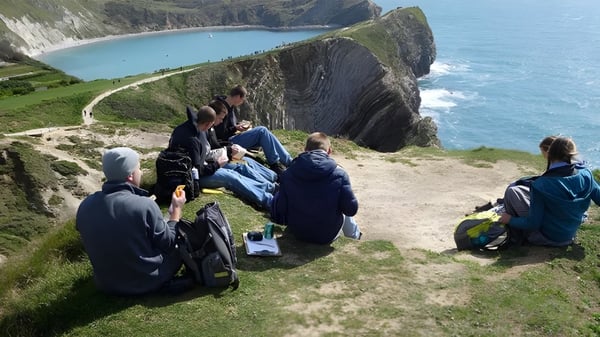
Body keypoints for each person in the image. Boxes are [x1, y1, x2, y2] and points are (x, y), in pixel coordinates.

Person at [76, 147, 186, 295]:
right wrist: (176, 211)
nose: (140, 173)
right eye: (138, 169)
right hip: (149, 281)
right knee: (182, 238)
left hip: (106, 285)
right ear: (130, 175)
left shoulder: (85, 205)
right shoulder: (145, 205)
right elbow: (169, 243)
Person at [168, 105, 276, 210]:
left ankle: (270, 188)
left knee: (235, 171)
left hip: (194, 169)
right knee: (230, 177)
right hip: (191, 179)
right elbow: (197, 171)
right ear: (208, 124)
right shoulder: (193, 140)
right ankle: (270, 202)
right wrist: (217, 164)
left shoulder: (186, 129)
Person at [499, 137, 600, 246]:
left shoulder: (541, 184)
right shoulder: (586, 174)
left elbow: (533, 223)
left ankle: (515, 237)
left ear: (549, 154)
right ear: (573, 154)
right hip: (570, 232)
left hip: (548, 238)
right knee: (521, 191)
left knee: (512, 191)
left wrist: (509, 220)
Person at [270, 132, 362, 244]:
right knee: (342, 199)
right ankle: (355, 236)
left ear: (305, 149)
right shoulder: (340, 173)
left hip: (298, 232)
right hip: (327, 235)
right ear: (329, 152)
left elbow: (280, 209)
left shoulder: (289, 172)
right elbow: (351, 210)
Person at [213, 85, 293, 175]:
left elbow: (227, 126)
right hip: (227, 142)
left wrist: (238, 126)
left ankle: (288, 160)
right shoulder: (221, 108)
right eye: (242, 100)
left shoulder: (228, 105)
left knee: (265, 134)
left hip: (232, 137)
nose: (242, 102)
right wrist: (235, 128)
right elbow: (220, 133)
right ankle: (276, 163)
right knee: (262, 131)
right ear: (238, 96)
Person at [207, 99, 278, 186]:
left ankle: (274, 177)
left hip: (223, 152)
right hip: (216, 161)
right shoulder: (205, 131)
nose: (221, 121)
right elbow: (209, 153)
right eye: (220, 118)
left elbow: (216, 143)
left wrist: (229, 147)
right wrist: (228, 149)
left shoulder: (211, 128)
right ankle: (271, 186)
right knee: (242, 165)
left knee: (247, 160)